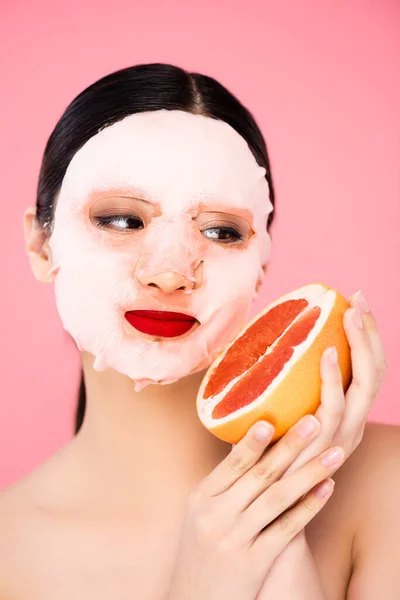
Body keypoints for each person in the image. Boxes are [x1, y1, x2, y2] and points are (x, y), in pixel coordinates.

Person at [0, 62, 398, 600]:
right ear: (40, 246)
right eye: (120, 220)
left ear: (261, 263)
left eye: (220, 231)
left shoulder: (386, 486)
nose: (170, 272)